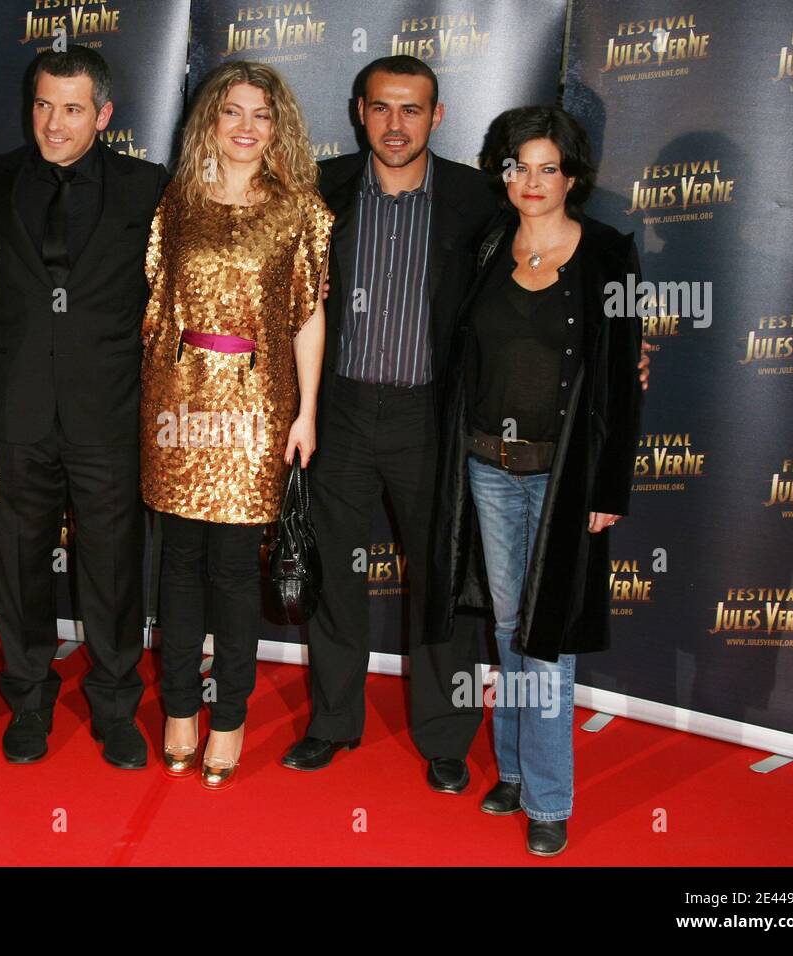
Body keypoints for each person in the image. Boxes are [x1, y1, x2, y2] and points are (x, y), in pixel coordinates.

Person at [429, 105, 643, 856]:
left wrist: (607, 489)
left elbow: (622, 378)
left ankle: (550, 800)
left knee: (545, 640)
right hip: (487, 469)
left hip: (563, 478)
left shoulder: (610, 255)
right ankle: (515, 772)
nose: (530, 179)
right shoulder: (486, 244)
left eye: (547, 166)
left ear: (572, 177)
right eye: (518, 165)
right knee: (510, 630)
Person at [280, 56, 498, 788]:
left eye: (412, 110)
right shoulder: (321, 190)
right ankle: (333, 722)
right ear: (359, 112)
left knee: (441, 579)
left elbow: (533, 284)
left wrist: (617, 343)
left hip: (431, 418)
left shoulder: (478, 201)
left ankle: (445, 738)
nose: (395, 124)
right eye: (381, 108)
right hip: (337, 411)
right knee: (335, 574)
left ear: (437, 117)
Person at [0, 47, 169, 769]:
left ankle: (116, 704)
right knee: (18, 563)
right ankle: (28, 699)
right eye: (43, 106)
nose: (54, 123)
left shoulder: (149, 189)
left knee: (113, 568)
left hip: (108, 413)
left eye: (73, 108)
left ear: (104, 114)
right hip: (16, 410)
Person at [141, 62, 331, 789]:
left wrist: (306, 411)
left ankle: (229, 718)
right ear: (208, 124)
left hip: (256, 404)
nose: (247, 127)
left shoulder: (300, 208)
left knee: (229, 570)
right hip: (178, 398)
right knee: (178, 564)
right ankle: (180, 709)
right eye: (232, 113)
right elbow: (155, 312)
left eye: (262, 115)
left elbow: (308, 317)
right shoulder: (177, 202)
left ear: (278, 127)